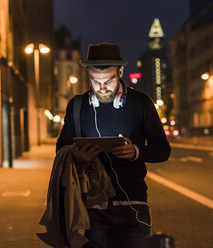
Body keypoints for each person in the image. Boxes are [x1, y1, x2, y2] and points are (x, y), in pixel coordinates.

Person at [56, 43, 171, 248]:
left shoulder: (141, 103)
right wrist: (77, 157)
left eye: (108, 81)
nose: (102, 88)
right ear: (88, 75)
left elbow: (163, 150)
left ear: (120, 72)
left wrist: (135, 152)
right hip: (92, 206)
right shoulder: (77, 106)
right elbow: (61, 150)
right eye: (95, 81)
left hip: (133, 206)